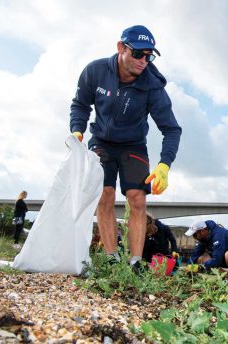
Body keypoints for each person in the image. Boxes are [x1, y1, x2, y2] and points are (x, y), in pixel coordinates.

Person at [69, 25, 181, 273]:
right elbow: (80, 104)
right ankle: (111, 257)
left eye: (149, 56)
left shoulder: (153, 86)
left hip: (133, 145)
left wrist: (164, 165)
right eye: (138, 54)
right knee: (105, 195)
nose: (143, 61)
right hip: (102, 141)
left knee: (137, 198)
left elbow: (172, 129)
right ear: (121, 48)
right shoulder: (95, 71)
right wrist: (77, 129)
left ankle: (135, 262)